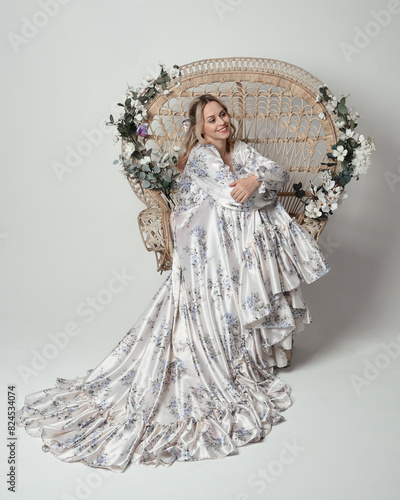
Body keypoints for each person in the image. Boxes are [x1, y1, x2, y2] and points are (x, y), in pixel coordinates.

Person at [16, 94, 331, 471]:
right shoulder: (201, 158)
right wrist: (255, 190)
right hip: (201, 245)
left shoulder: (242, 151)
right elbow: (236, 201)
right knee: (261, 216)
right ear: (199, 131)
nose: (221, 123)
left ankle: (252, 323)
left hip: (227, 238)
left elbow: (280, 175)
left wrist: (255, 177)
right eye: (212, 120)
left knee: (264, 217)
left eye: (223, 114)